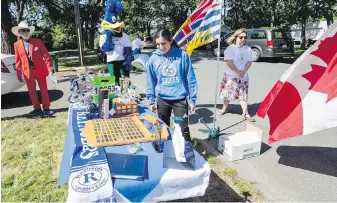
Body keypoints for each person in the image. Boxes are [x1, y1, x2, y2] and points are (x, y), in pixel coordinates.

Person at [146, 29, 198, 141]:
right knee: (163, 129)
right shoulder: (153, 59)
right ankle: (166, 151)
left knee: (183, 129)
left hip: (180, 99)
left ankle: (186, 155)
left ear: (170, 41)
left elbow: (191, 78)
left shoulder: (183, 56)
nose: (161, 47)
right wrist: (151, 100)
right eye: (158, 44)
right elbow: (150, 81)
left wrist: (192, 99)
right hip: (162, 99)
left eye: (163, 43)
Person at [12, 21, 54, 115]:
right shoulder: (17, 44)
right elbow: (18, 60)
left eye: (27, 30)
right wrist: (19, 73)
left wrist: (50, 68)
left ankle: (46, 108)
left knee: (44, 89)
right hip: (28, 71)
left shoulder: (37, 42)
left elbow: (46, 55)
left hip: (39, 69)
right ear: (20, 33)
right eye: (23, 31)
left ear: (29, 31)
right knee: (31, 91)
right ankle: (37, 108)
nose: (25, 32)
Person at [218, 28, 255, 121]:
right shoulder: (230, 48)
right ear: (236, 37)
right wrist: (238, 71)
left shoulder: (248, 49)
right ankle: (224, 109)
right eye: (241, 37)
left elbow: (249, 62)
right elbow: (229, 62)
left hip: (243, 76)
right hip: (231, 76)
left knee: (243, 95)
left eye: (245, 37)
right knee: (227, 94)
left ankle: (246, 113)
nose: (243, 39)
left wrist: (243, 71)